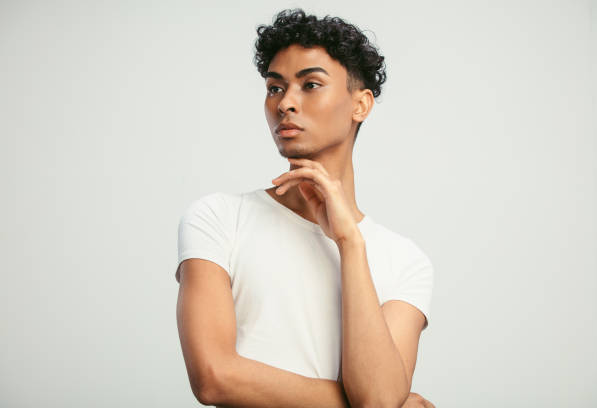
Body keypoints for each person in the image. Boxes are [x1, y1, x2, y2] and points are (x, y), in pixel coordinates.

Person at [175, 8, 435, 408]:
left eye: (310, 84)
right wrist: (358, 404)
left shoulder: (405, 260)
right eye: (275, 88)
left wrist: (349, 242)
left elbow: (380, 401)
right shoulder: (219, 218)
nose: (285, 104)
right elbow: (214, 377)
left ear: (360, 105)